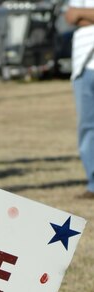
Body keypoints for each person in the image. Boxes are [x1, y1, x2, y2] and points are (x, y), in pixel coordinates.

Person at [65, 0, 94, 199]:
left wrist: (84, 15)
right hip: (84, 65)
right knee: (88, 128)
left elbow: (79, 16)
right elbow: (70, 16)